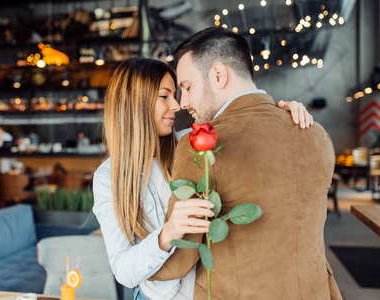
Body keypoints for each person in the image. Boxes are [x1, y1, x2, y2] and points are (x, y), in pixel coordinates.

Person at [92, 57, 314, 300]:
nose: (177, 105)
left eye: (176, 94)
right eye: (165, 96)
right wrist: (168, 232)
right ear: (135, 103)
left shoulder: (194, 142)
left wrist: (281, 116)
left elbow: (246, 127)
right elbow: (123, 271)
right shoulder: (108, 177)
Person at [150, 27, 342, 299]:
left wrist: (135, 265)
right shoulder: (315, 132)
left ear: (218, 75)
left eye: (187, 87)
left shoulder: (200, 146)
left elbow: (181, 259)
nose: (184, 102)